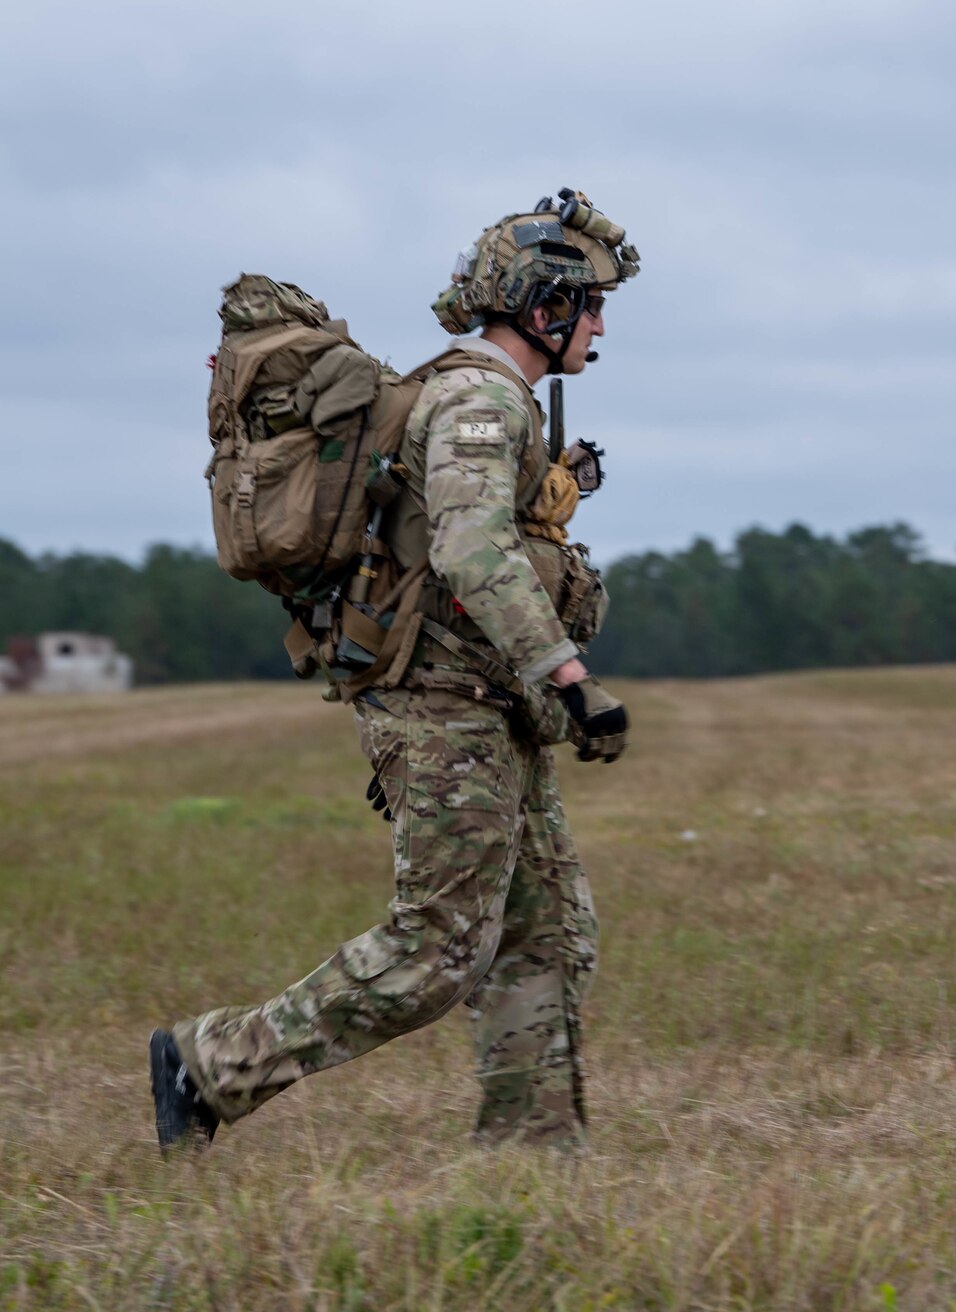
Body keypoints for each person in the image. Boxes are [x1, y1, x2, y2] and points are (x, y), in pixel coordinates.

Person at [150, 190, 640, 1148]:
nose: (600, 324)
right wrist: (571, 676)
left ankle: (531, 1163)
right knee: (437, 949)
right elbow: (472, 550)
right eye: (590, 304)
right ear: (544, 308)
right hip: (447, 708)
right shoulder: (480, 400)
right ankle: (211, 1065)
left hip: (482, 705)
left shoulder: (491, 401)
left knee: (545, 935)